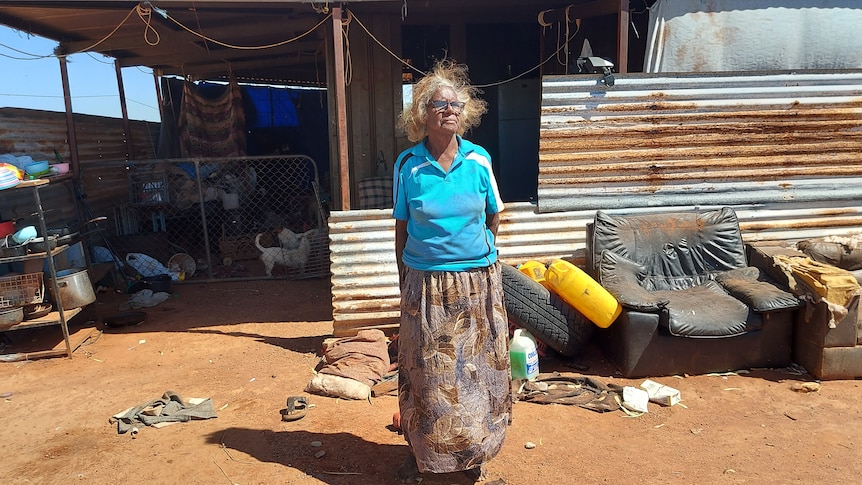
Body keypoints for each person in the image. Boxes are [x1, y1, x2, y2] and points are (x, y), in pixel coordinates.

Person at [392, 60, 511, 483]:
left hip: (476, 281)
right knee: (428, 375)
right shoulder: (408, 166)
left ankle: (472, 456)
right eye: (440, 104)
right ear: (421, 113)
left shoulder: (479, 161)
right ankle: (426, 456)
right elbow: (402, 230)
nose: (450, 110)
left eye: (456, 104)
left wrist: (483, 255)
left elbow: (494, 216)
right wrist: (405, 284)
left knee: (475, 371)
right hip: (426, 282)